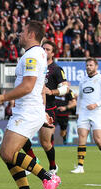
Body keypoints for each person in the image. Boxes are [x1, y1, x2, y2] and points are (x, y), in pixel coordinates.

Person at [0, 21, 61, 189]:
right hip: (28, 110)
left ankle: (48, 177)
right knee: (6, 153)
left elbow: (28, 86)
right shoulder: (38, 54)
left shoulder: (33, 55)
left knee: (9, 152)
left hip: (26, 112)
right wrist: (42, 112)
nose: (19, 34)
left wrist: (1, 98)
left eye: (22, 32)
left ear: (31, 34)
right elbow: (40, 87)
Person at [21, 40, 69, 174]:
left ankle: (53, 167)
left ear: (53, 53)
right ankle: (33, 161)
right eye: (44, 49)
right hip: (31, 106)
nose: (45, 51)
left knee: (45, 142)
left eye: (48, 49)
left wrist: (52, 92)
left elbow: (66, 88)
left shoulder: (56, 69)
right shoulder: (35, 66)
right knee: (22, 137)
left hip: (48, 108)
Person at [71, 58, 101, 174]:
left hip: (97, 112)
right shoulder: (83, 81)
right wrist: (78, 112)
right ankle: (80, 166)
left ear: (96, 66)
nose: (88, 67)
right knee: (82, 136)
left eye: (91, 65)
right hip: (84, 113)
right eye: (87, 65)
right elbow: (80, 98)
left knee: (98, 140)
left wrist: (96, 104)